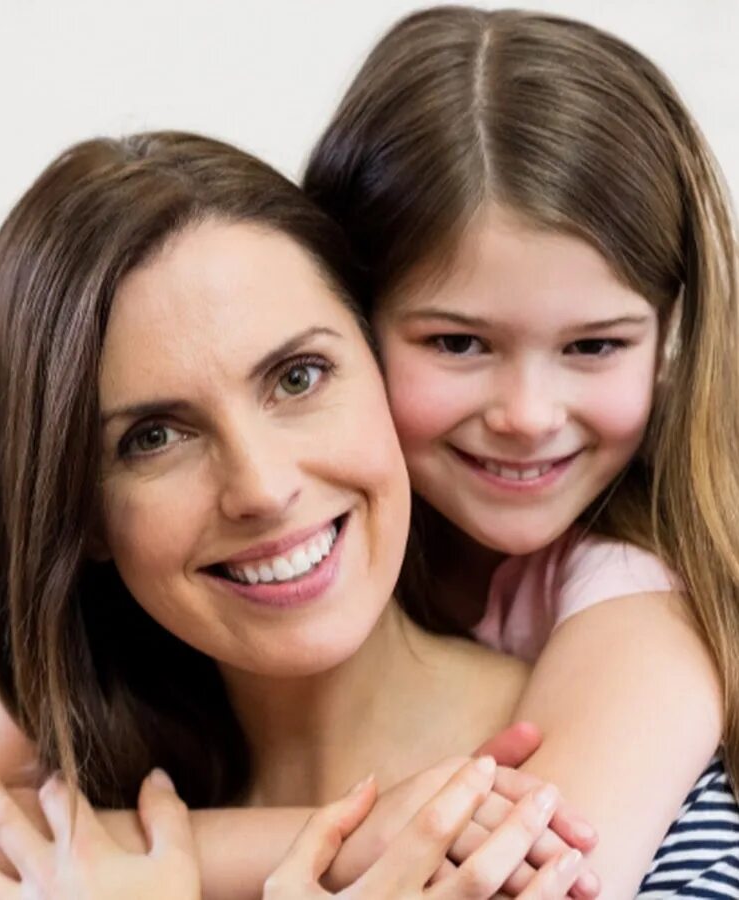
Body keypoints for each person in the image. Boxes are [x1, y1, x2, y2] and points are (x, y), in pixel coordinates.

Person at [0, 132, 596, 899]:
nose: (261, 487)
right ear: (81, 514)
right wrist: (341, 839)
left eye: (298, 377)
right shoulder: (62, 869)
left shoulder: (599, 773)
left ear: (386, 371)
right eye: (153, 438)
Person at [301, 6, 739, 897]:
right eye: (459, 344)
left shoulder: (642, 575)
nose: (530, 416)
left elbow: (532, 880)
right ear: (348, 316)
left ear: (669, 336)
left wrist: (167, 863)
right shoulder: (296, 544)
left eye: (595, 347)